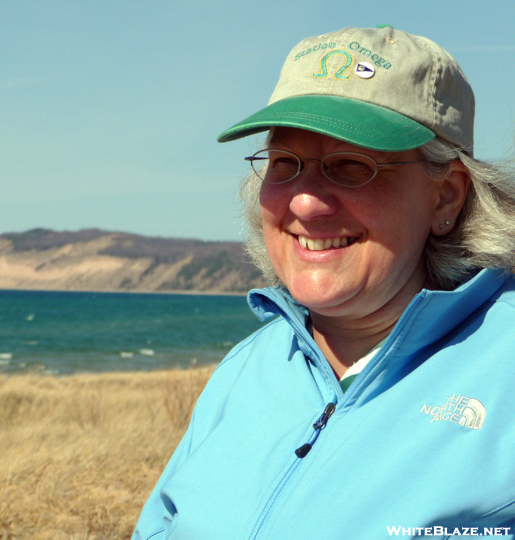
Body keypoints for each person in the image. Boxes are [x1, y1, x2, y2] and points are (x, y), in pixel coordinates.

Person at [133, 25, 515, 539]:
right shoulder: (249, 367)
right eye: (285, 163)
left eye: (352, 166)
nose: (306, 202)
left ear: (445, 195)